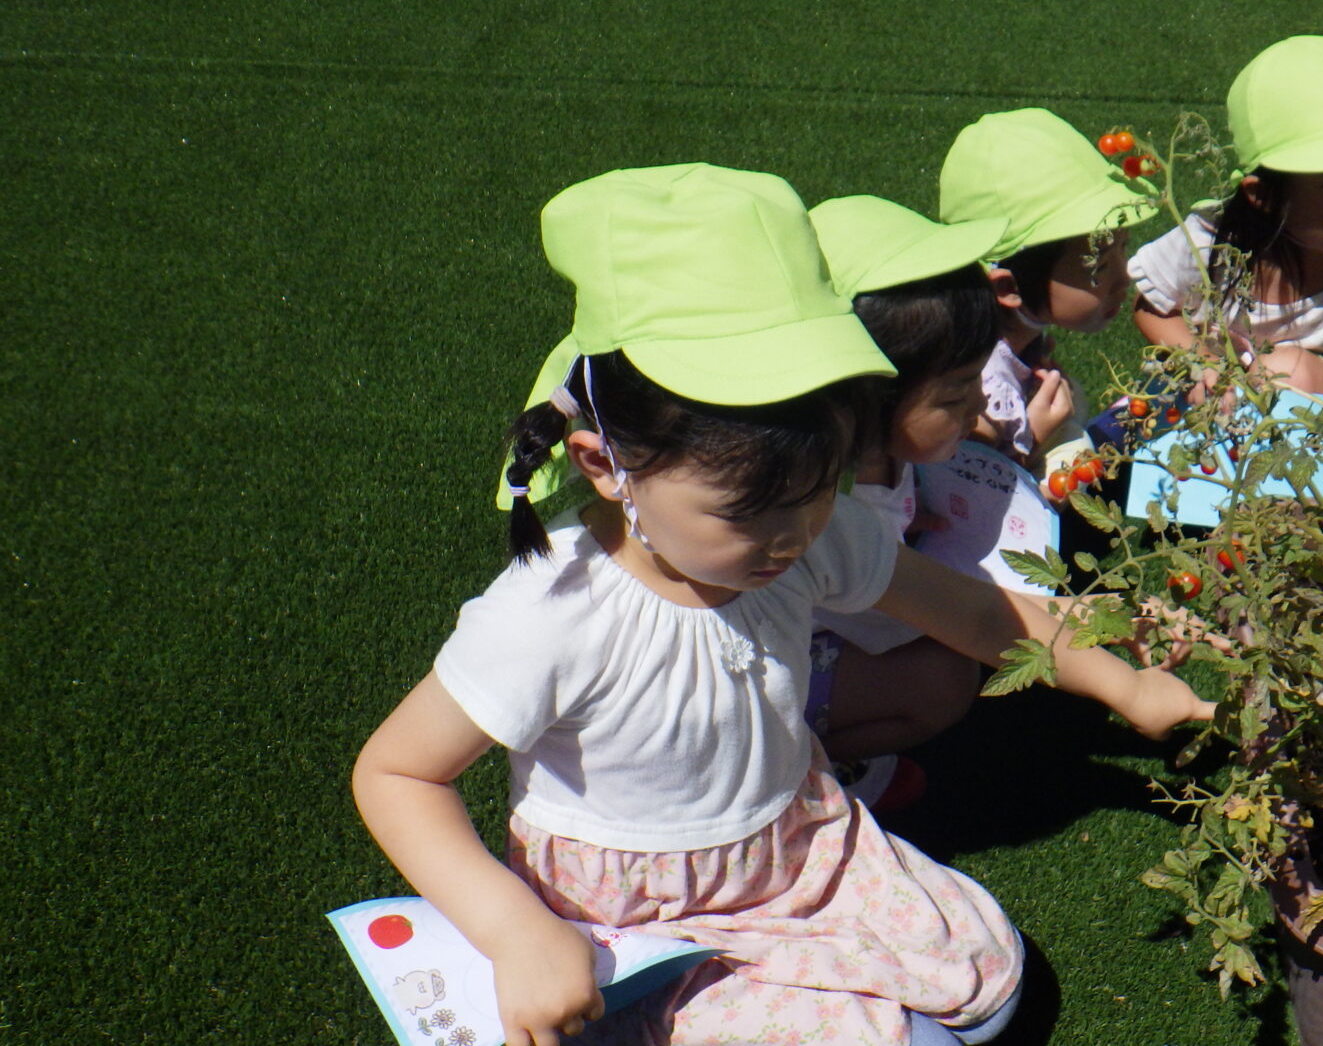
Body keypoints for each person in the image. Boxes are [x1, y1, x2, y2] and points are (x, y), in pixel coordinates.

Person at [353, 165, 1215, 1046]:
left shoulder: (807, 530)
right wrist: (516, 933)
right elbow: (397, 774)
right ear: (606, 465)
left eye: (818, 488)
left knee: (990, 984)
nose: (794, 535)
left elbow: (977, 612)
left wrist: (1126, 684)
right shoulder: (554, 610)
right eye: (747, 512)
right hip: (635, 921)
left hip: (792, 848)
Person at [803, 194, 1007, 809]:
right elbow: (919, 617)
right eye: (954, 394)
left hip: (838, 625)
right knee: (944, 679)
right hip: (769, 669)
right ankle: (799, 772)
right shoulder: (826, 511)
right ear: (868, 395)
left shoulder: (874, 449)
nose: (980, 405)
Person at [1128, 35, 1323, 404]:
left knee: (1286, 370)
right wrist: (1204, 361)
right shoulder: (1213, 241)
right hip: (1216, 393)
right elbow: (1151, 306)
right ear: (1262, 197)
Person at [938, 107, 1157, 497]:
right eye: (1099, 265)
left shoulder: (1007, 332)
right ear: (1008, 289)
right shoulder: (978, 392)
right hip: (978, 520)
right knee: (1077, 459)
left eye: (1123, 248)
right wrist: (1033, 437)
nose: (1125, 276)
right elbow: (965, 494)